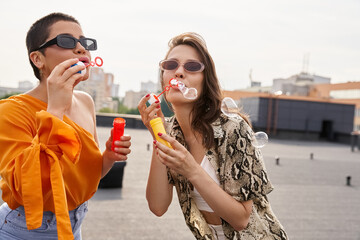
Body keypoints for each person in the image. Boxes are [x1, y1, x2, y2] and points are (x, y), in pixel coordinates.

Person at [138, 32, 288, 240]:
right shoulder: (170, 132)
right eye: (171, 65)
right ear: (163, 77)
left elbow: (241, 219)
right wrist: (158, 132)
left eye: (191, 67)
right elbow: (157, 206)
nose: (179, 72)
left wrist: (191, 169)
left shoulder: (232, 129)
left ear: (204, 80)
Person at [0, 12, 131, 240]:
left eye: (84, 42)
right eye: (66, 41)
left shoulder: (85, 101)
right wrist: (55, 111)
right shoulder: (12, 111)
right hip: (24, 229)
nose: (81, 49)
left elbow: (88, 177)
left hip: (74, 225)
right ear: (38, 59)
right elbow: (26, 188)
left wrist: (108, 156)